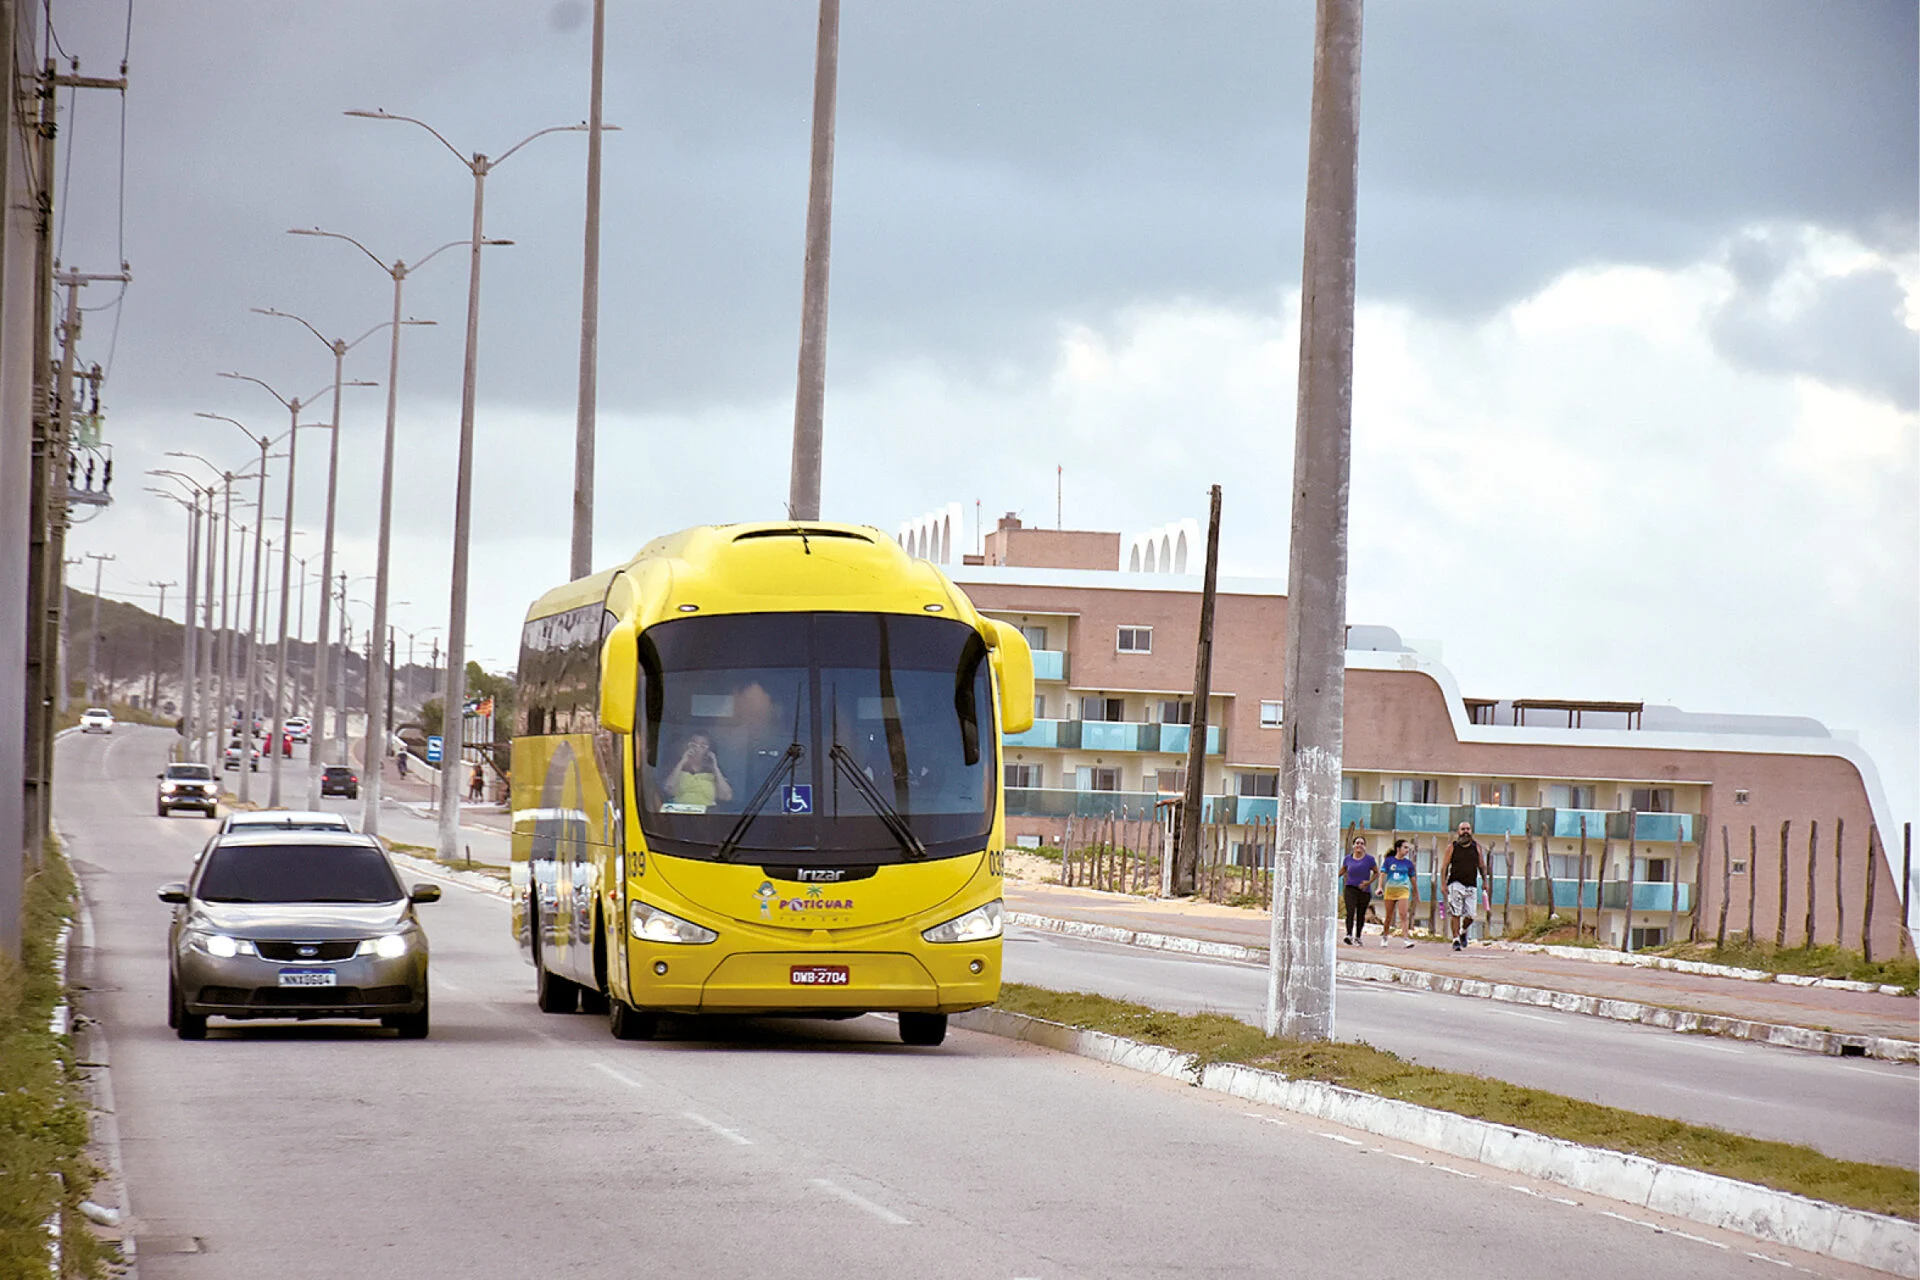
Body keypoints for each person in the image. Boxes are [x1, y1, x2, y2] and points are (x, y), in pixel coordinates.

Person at [1443, 820, 1490, 950]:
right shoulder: (1452, 847)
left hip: (1471, 884)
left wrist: (1485, 882)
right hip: (1455, 883)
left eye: (1468, 829)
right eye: (1463, 829)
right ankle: (1455, 939)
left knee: (1471, 915)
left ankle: (1463, 931)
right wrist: (1443, 884)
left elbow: (1482, 865)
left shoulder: (1476, 847)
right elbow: (1445, 866)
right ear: (1458, 832)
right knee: (1456, 912)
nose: (1465, 831)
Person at [663, 732, 733, 809]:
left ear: (709, 751)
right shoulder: (676, 766)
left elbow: (726, 796)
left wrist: (715, 767)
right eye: (693, 745)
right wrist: (682, 762)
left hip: (708, 813)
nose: (697, 749)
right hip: (679, 811)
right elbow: (667, 789)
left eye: (703, 746)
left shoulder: (714, 771)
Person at [1378, 838, 1418, 948]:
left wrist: (1416, 892)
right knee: (1389, 916)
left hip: (1403, 891)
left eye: (1408, 848)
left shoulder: (1408, 863)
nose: (1407, 850)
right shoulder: (1389, 861)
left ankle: (1406, 939)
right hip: (1390, 891)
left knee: (1403, 915)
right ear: (1398, 849)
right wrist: (1379, 887)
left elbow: (1413, 878)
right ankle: (1385, 936)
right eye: (1405, 847)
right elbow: (1382, 874)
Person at [1340, 836, 1378, 945]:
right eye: (1357, 843)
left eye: (1362, 843)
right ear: (1353, 845)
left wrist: (1368, 882)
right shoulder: (1348, 859)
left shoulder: (1369, 859)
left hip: (1364, 890)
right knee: (1350, 911)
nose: (1359, 845)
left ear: (1365, 846)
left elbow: (1376, 872)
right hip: (1350, 888)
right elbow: (1343, 870)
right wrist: (1333, 878)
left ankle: (1358, 937)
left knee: (1361, 914)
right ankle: (1348, 934)